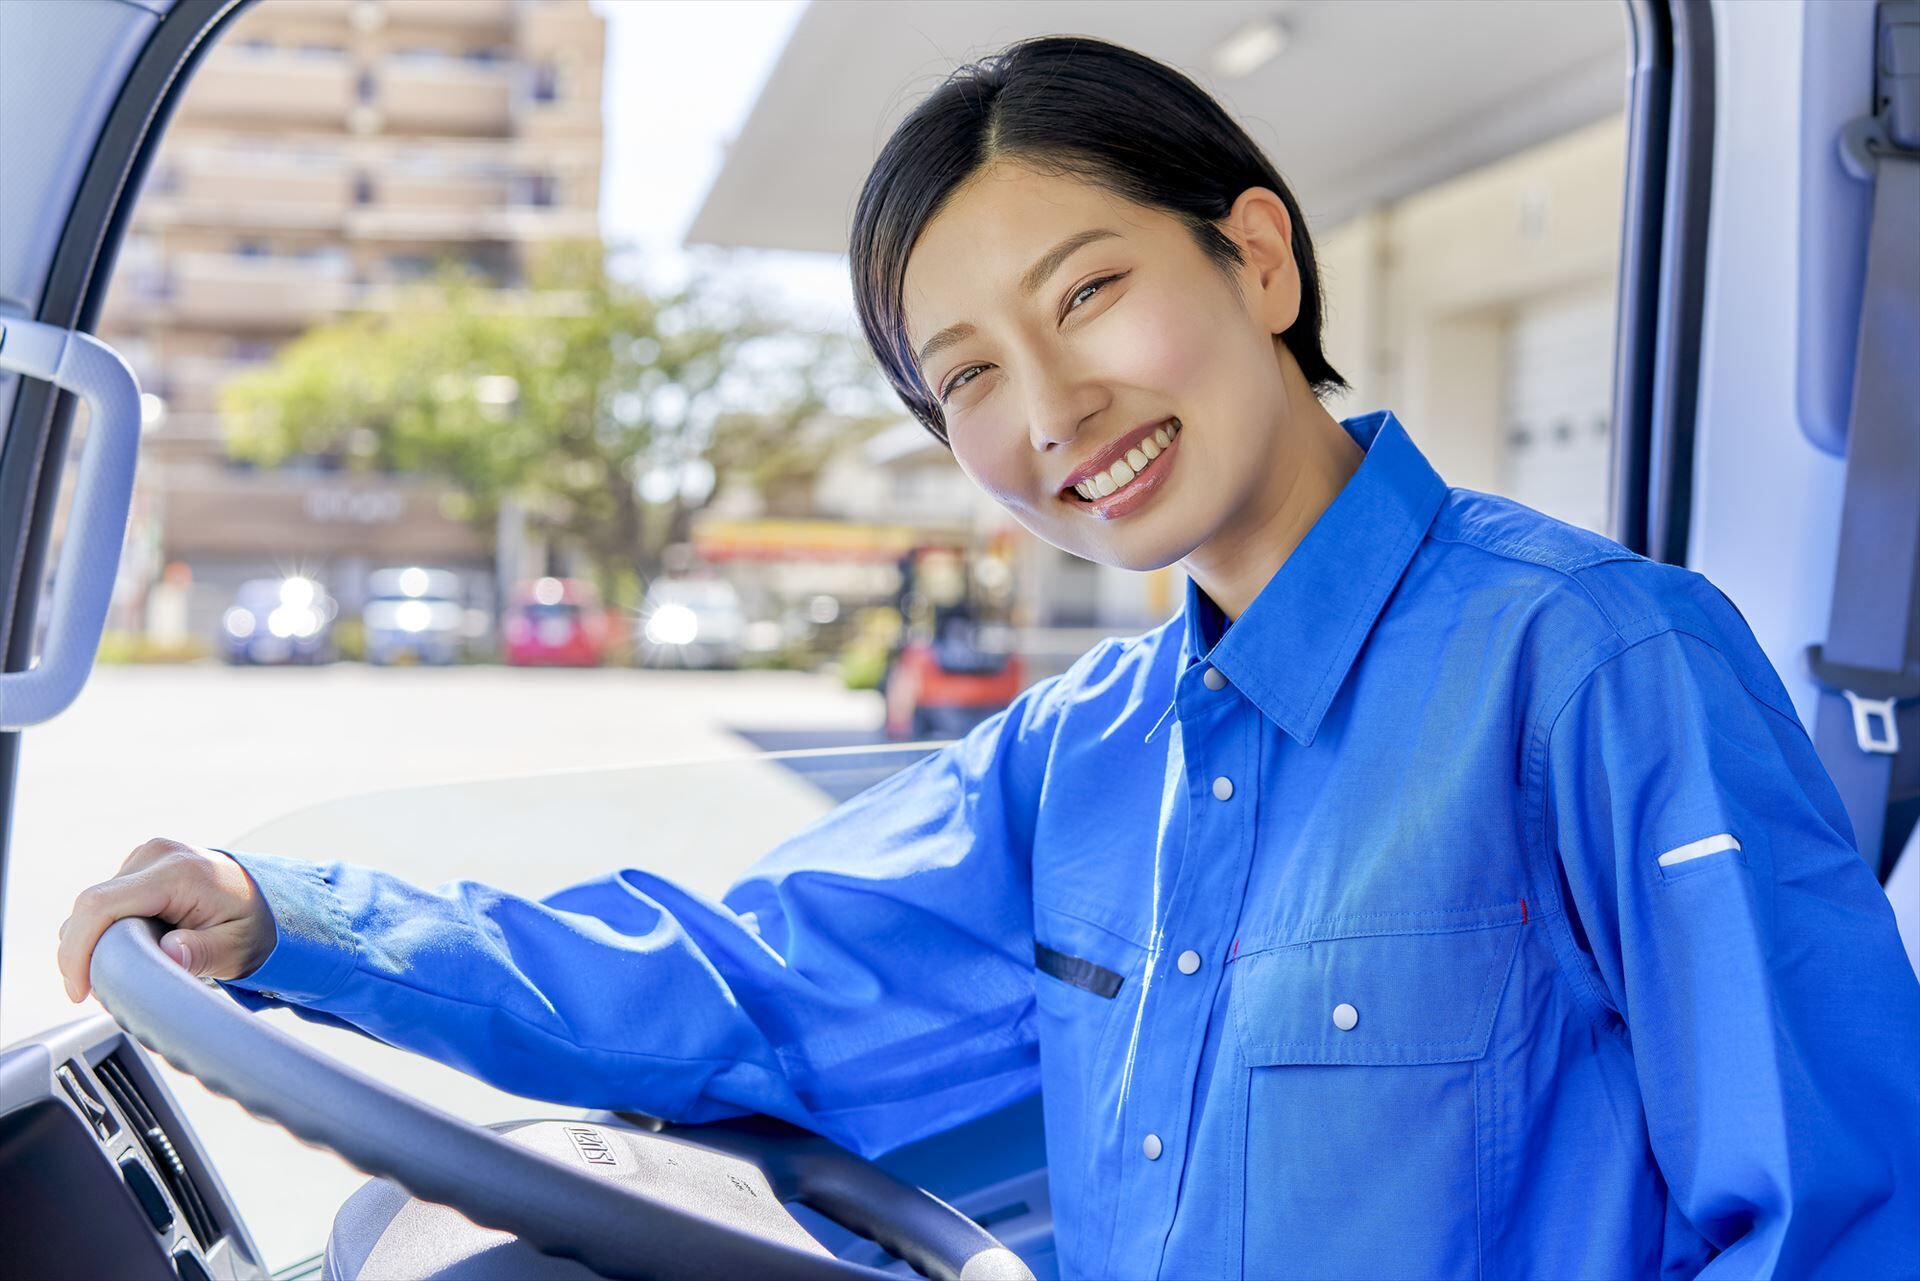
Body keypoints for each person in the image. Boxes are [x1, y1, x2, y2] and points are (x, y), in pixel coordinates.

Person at [58, 36, 1920, 1281]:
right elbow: (749, 987)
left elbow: (1830, 1219)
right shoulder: (1077, 757)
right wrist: (288, 917)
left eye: (1091, 291)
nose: (1053, 410)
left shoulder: (1601, 666)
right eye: (966, 379)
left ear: (1257, 259)